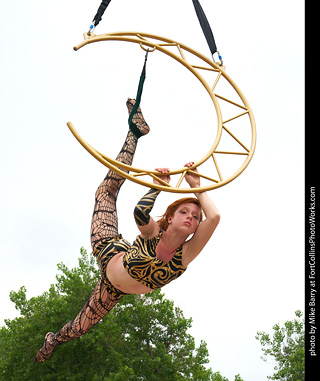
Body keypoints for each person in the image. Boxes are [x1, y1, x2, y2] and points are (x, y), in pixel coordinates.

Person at [35, 98, 220, 362]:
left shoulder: (186, 253)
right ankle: (134, 133)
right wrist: (157, 186)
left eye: (194, 215)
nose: (191, 217)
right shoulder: (154, 232)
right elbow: (140, 213)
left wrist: (197, 187)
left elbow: (214, 217)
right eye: (184, 212)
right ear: (170, 215)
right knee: (106, 192)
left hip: (114, 290)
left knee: (79, 328)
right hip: (110, 251)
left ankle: (52, 340)